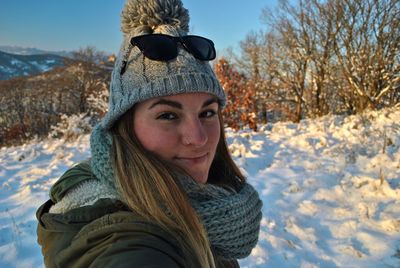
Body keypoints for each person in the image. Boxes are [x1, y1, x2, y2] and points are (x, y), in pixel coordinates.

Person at [36, 0, 262, 267]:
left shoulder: (211, 198)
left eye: (207, 113)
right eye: (168, 115)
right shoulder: (127, 243)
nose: (198, 138)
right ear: (125, 125)